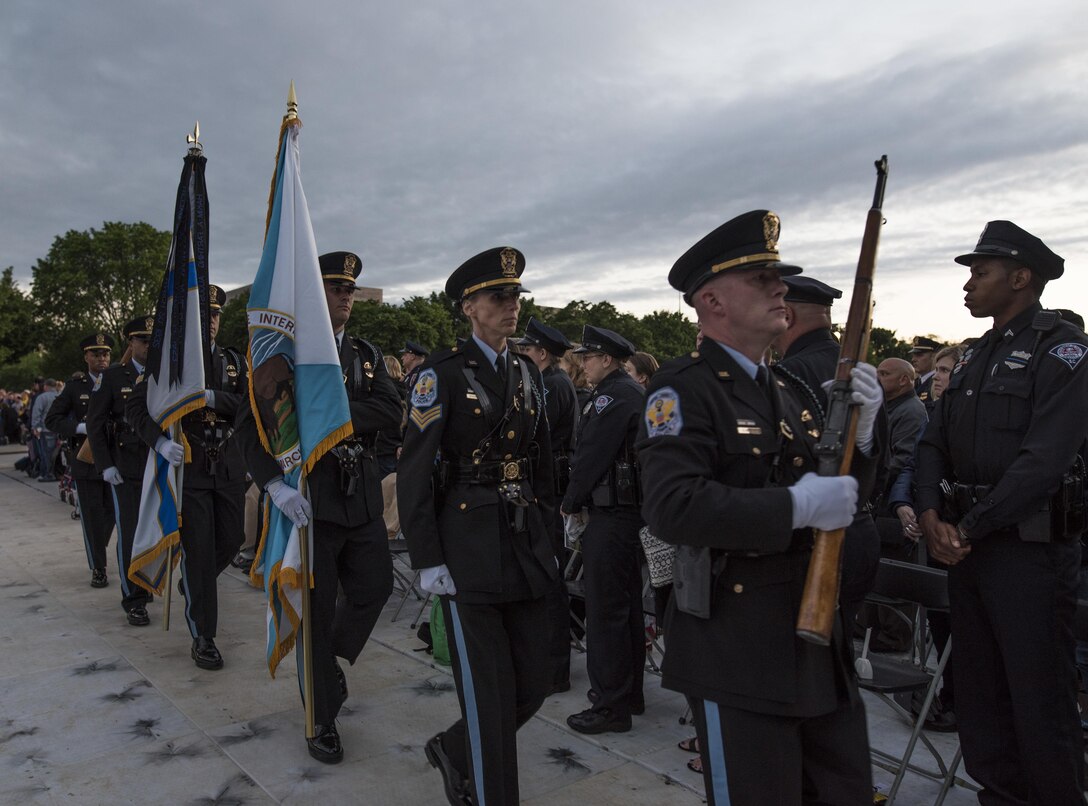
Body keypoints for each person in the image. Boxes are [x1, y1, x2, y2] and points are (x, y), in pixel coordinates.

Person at [637, 210, 882, 805]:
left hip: (814, 636)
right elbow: (673, 506)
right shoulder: (682, 389)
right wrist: (794, 506)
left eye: (779, 277)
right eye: (762, 279)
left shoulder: (791, 390)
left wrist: (865, 439)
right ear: (712, 300)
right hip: (737, 645)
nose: (781, 288)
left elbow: (841, 496)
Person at [915, 220, 1087, 803]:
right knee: (981, 695)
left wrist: (966, 526)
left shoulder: (1061, 351)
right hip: (966, 549)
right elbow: (932, 442)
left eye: (979, 273)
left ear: (1020, 278)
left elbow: (1043, 460)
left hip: (1026, 552)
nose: (968, 284)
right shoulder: (969, 359)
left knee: (1038, 701)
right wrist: (931, 512)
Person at [398, 246, 556, 806]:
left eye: (516, 295)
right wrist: (428, 558)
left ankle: (454, 749)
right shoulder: (439, 375)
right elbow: (414, 472)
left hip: (522, 540)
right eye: (499, 296)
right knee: (489, 696)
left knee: (535, 682)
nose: (512, 305)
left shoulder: (524, 371)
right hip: (466, 546)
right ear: (469, 307)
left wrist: (550, 536)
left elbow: (540, 461)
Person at [237, 251, 401, 764]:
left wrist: (325, 408)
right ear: (313, 295)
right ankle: (320, 720)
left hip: (361, 496)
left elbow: (391, 411)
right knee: (313, 607)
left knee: (376, 586)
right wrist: (272, 486)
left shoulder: (365, 353)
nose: (347, 297)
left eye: (351, 290)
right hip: (309, 500)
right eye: (336, 289)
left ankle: (326, 661)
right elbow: (251, 428)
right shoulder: (280, 357)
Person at [126, 285, 248, 671]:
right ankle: (203, 637)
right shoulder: (168, 362)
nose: (210, 321)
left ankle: (194, 584)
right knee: (198, 553)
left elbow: (249, 405)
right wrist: (160, 444)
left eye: (214, 315)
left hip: (227, 466)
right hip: (190, 467)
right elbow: (136, 408)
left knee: (233, 539)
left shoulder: (233, 361)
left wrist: (210, 397)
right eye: (203, 314)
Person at [774, 274, 882, 631]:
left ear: (786, 315)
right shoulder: (858, 367)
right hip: (859, 530)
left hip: (812, 539)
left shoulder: (788, 372)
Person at [562, 324, 647, 735]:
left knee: (605, 613)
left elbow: (590, 456)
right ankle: (628, 694)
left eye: (588, 357)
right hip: (623, 516)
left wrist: (569, 503)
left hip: (612, 516)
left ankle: (611, 704)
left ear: (607, 360)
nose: (583, 364)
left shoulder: (614, 397)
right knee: (624, 608)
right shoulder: (624, 393)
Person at [514, 315, 580, 694]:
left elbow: (534, 435)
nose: (522, 353)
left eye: (526, 348)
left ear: (541, 352)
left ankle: (555, 669)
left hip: (549, 487)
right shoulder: (553, 381)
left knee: (550, 576)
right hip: (548, 484)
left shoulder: (550, 384)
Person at [86, 317, 155, 626]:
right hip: (125, 465)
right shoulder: (114, 376)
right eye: (143, 340)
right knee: (129, 532)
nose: (149, 346)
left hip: (157, 462)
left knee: (155, 529)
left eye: (153, 340)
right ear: (131, 343)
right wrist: (106, 465)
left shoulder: (165, 373)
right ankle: (134, 599)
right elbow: (95, 424)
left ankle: (150, 581)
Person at [45, 332, 117, 588]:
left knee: (112, 513)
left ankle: (100, 544)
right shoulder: (75, 387)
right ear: (86, 356)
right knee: (92, 516)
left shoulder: (117, 380)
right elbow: (52, 419)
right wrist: (80, 428)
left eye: (106, 353)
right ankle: (99, 566)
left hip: (115, 458)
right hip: (87, 460)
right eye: (96, 354)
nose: (102, 358)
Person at [31, 379, 60, 481]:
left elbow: (37, 413)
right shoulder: (60, 395)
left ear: (45, 386)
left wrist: (35, 427)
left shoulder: (42, 397)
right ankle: (57, 473)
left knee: (47, 453)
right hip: (60, 429)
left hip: (46, 429)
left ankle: (49, 474)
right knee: (58, 454)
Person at [908, 336, 942, 411]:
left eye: (919, 355)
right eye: (913, 355)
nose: (913, 359)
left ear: (934, 356)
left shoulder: (937, 382)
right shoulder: (916, 382)